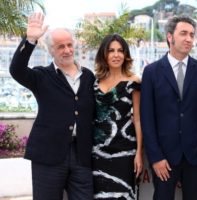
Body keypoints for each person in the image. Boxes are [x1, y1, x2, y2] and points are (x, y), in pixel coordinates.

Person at [9, 13, 95, 199]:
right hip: (48, 155)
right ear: (51, 51)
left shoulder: (89, 77)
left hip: (82, 155)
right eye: (60, 46)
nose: (66, 50)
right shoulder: (41, 76)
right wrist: (30, 39)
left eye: (69, 45)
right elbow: (16, 70)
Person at [140, 16, 197, 200]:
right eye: (183, 33)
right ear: (170, 37)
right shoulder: (151, 72)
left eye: (192, 34)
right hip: (164, 158)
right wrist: (155, 157)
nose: (189, 38)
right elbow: (147, 118)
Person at [92, 34, 143, 200]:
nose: (116, 55)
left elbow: (138, 119)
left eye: (120, 51)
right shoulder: (93, 82)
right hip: (97, 153)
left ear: (126, 54)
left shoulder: (133, 82)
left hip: (125, 153)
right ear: (104, 55)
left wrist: (139, 154)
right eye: (111, 50)